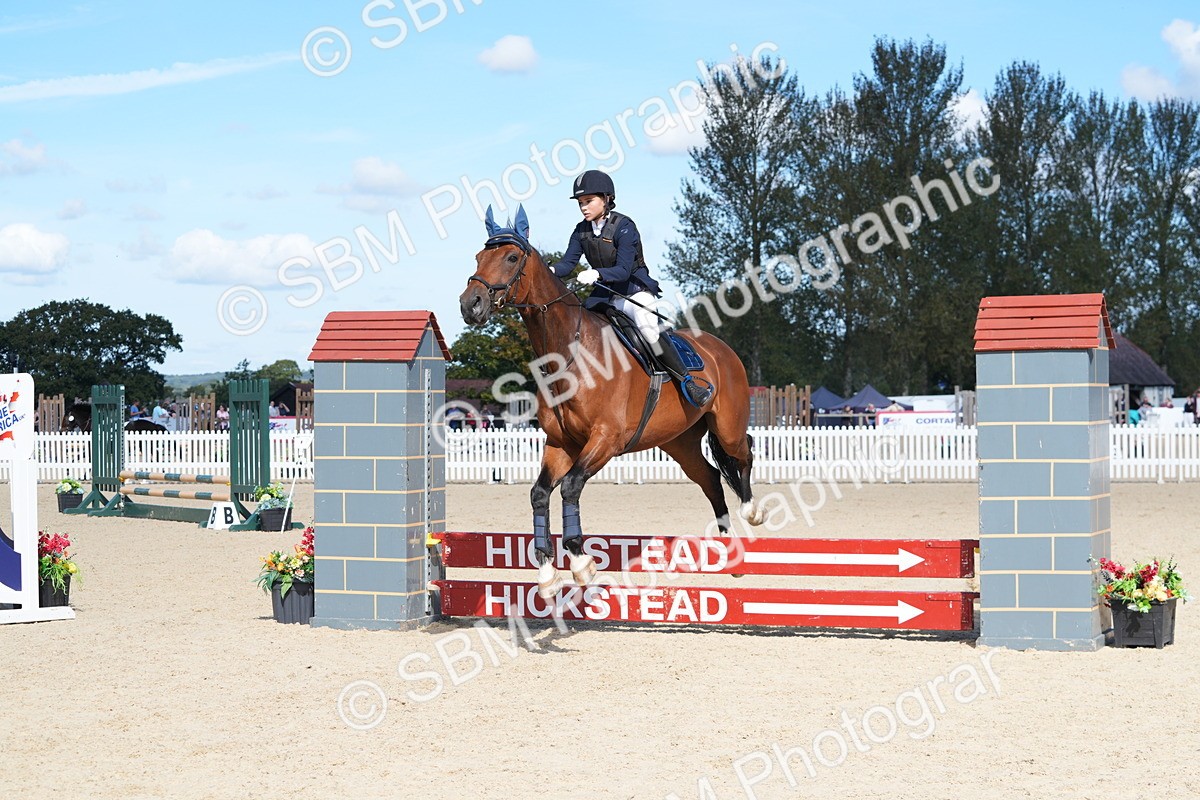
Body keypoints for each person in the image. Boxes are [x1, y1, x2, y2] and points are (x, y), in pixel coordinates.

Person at [552, 169, 712, 407]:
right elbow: (567, 263)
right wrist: (549, 272)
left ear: (606, 199)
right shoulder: (580, 231)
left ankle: (687, 381)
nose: (584, 207)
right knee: (579, 327)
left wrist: (597, 273)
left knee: (648, 329)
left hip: (633, 290)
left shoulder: (624, 227)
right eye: (580, 203)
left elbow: (624, 270)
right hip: (604, 295)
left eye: (589, 201)